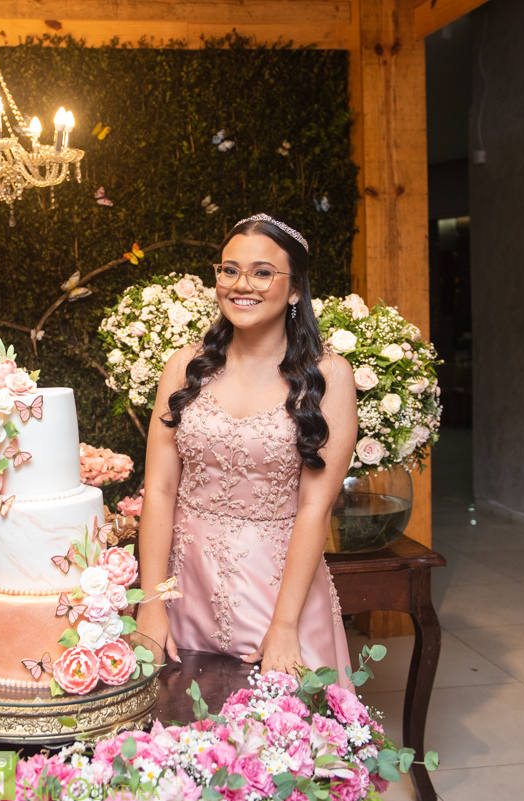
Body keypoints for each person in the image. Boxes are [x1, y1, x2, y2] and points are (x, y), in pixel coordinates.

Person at [136, 213, 358, 683]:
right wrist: (151, 603)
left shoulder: (329, 377)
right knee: (176, 718)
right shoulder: (183, 367)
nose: (242, 284)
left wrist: (285, 624)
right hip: (184, 583)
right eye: (230, 270)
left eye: (262, 272)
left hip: (278, 591)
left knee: (281, 723)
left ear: (295, 289)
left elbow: (315, 508)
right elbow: (159, 490)